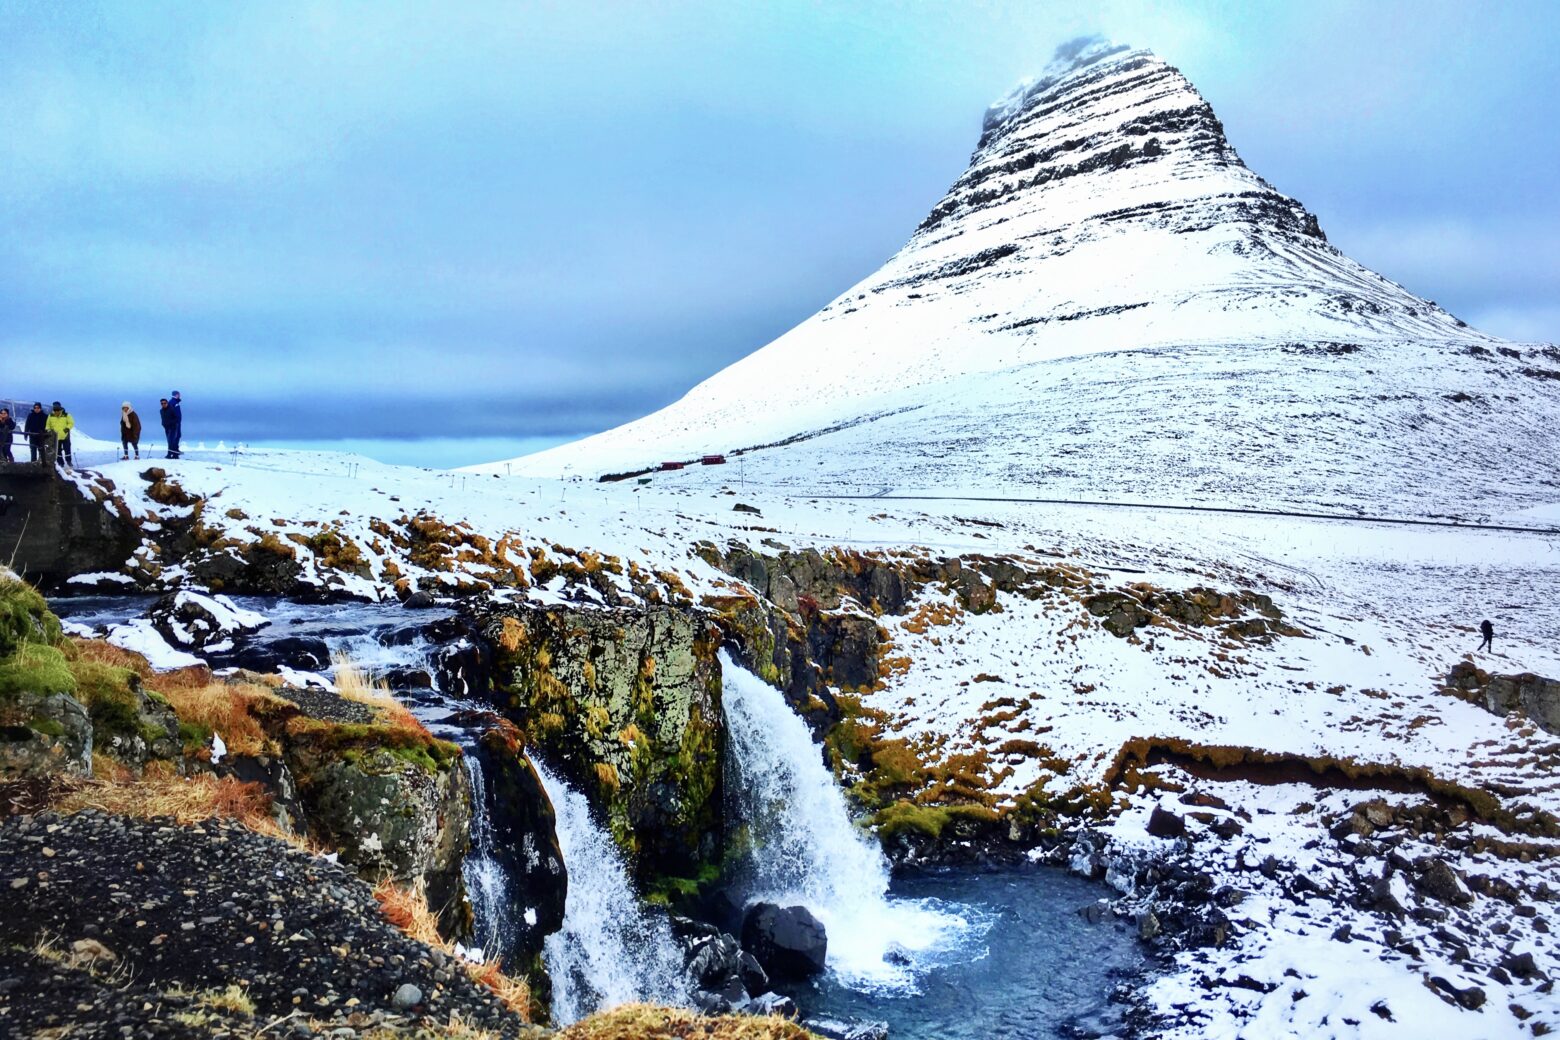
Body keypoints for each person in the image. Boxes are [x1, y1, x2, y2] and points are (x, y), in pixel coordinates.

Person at [46, 401, 75, 470]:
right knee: (58, 451)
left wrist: (66, 430)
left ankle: (69, 461)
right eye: (54, 408)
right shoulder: (50, 415)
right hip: (55, 437)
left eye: (57, 408)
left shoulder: (66, 415)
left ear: (60, 407)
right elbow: (47, 425)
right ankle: (60, 463)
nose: (56, 410)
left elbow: (71, 423)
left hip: (65, 436)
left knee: (67, 449)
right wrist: (49, 431)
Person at [164, 390, 183, 459]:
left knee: (177, 437)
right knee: (173, 438)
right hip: (174, 424)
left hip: (176, 423)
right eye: (178, 394)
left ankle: (175, 453)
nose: (180, 396)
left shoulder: (174, 402)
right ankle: (170, 454)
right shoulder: (172, 402)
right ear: (176, 395)